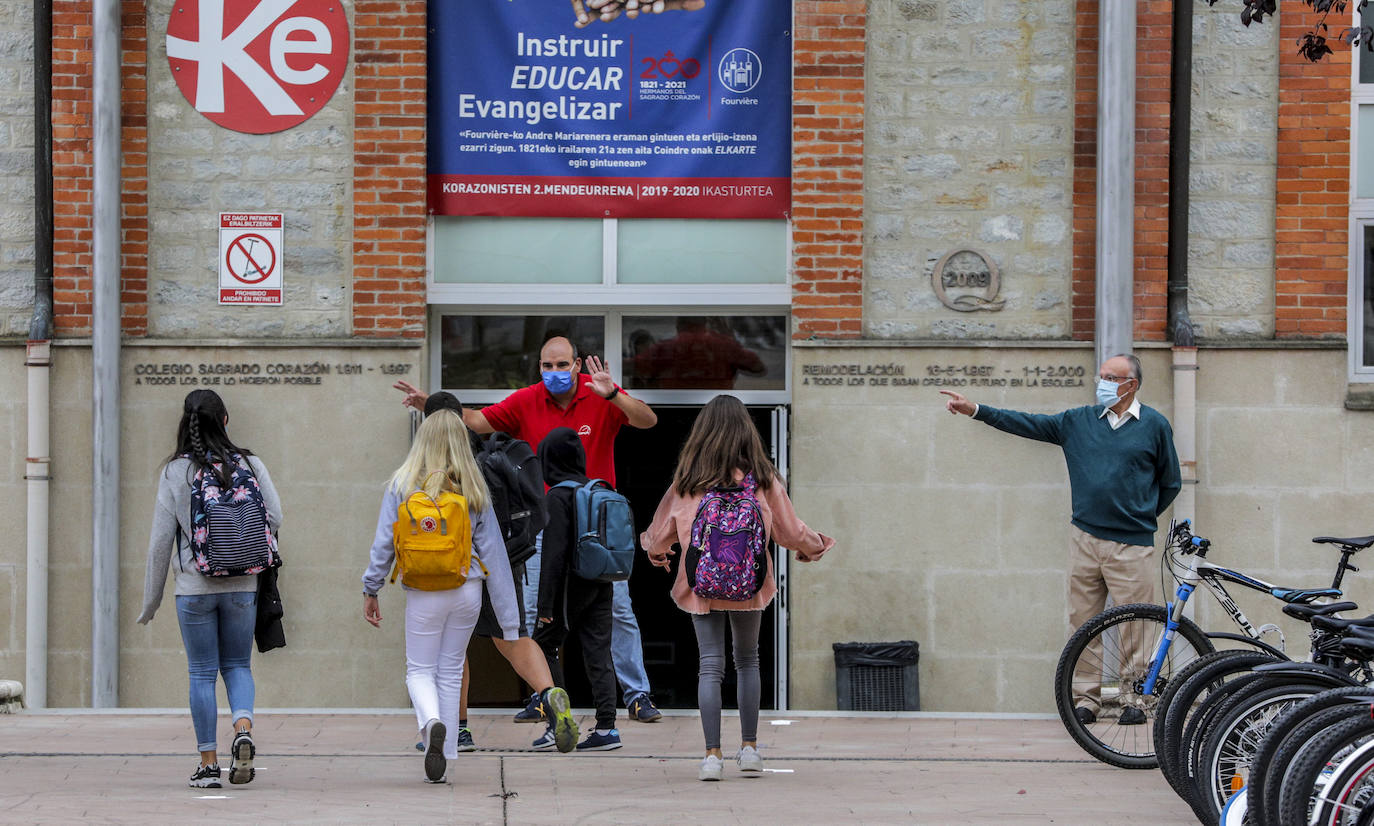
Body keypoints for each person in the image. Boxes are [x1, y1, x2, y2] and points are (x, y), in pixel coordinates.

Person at [394, 334, 664, 733]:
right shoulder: (526, 399)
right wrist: (432, 407)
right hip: (545, 524)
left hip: (598, 526)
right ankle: (547, 700)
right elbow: (479, 421)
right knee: (539, 612)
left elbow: (647, 420)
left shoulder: (600, 396)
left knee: (617, 612)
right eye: (546, 365)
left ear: (577, 364)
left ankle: (636, 695)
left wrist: (613, 395)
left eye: (561, 364)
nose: (554, 372)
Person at [940, 353, 1182, 726]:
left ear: (1131, 385)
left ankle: (1137, 699)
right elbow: (1027, 424)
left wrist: (1139, 516)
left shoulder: (1154, 425)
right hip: (1084, 538)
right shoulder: (1078, 421)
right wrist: (976, 409)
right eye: (1101, 376)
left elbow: (1170, 483)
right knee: (1083, 622)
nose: (1102, 383)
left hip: (1131, 544)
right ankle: (1085, 699)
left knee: (1137, 623)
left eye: (1111, 378)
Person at [360, 410, 576, 784]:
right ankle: (445, 755)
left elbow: (383, 544)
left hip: (424, 590)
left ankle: (431, 726)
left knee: (419, 670)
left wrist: (371, 587)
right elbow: (493, 553)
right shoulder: (472, 486)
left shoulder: (402, 482)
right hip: (467, 588)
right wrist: (509, 621)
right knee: (449, 668)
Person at [640, 394, 833, 781]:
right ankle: (749, 750)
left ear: (702, 433)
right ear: (748, 433)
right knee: (748, 661)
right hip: (749, 584)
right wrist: (816, 547)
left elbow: (660, 533)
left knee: (709, 665)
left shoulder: (688, 481)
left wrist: (655, 551)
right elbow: (791, 532)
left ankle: (712, 756)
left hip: (702, 585)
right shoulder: (763, 480)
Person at [137, 389, 283, 789]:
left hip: (194, 588)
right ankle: (242, 727)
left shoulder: (175, 472)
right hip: (243, 584)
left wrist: (150, 603)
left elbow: (159, 544)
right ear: (225, 420)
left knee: (201, 673)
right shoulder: (250, 463)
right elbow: (275, 516)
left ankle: (207, 765)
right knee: (237, 665)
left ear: (185, 424)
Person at [420, 392, 574, 754]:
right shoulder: (487, 457)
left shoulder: (435, 467)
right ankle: (551, 698)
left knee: (452, 649)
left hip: (453, 569)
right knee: (513, 638)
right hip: (504, 563)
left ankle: (459, 730)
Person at [531, 427, 623, 750]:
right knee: (599, 651)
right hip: (602, 581)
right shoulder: (599, 489)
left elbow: (553, 556)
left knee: (542, 646)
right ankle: (608, 728)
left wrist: (545, 607)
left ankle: (559, 721)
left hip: (570, 587)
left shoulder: (557, 496)